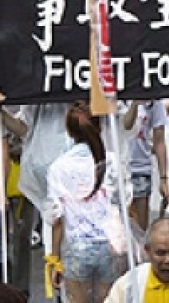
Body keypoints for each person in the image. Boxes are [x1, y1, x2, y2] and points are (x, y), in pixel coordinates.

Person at [45, 103, 127, 303]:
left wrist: (54, 259)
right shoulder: (114, 162)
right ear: (100, 127)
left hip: (76, 248)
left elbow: (56, 219)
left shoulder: (58, 167)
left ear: (69, 131)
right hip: (110, 246)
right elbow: (125, 204)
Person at [124, 99, 169, 231]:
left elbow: (159, 141)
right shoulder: (120, 99)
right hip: (119, 167)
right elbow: (126, 125)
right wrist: (134, 104)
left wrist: (163, 178)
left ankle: (140, 250)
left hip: (141, 167)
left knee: (140, 227)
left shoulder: (155, 103)